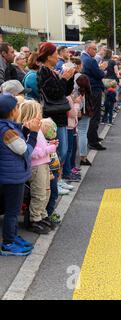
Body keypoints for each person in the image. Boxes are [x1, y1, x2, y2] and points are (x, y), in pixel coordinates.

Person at [0, 94, 38, 256]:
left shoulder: (7, 127)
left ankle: (12, 236)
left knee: (13, 211)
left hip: (10, 176)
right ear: (11, 111)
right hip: (12, 178)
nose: (18, 110)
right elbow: (24, 150)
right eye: (16, 107)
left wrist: (25, 129)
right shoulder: (7, 131)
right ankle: (8, 244)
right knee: (12, 212)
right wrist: (34, 134)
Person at [37, 42, 76, 195]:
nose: (57, 57)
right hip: (52, 115)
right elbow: (53, 92)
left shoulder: (52, 71)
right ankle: (54, 181)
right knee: (58, 151)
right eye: (55, 54)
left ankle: (58, 180)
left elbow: (65, 91)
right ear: (48, 56)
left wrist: (69, 78)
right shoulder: (43, 72)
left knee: (63, 151)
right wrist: (64, 79)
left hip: (59, 114)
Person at [17, 100, 58, 234]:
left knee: (46, 191)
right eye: (38, 112)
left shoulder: (37, 129)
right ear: (31, 114)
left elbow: (39, 145)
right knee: (39, 193)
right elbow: (31, 152)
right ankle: (35, 219)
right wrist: (48, 149)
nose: (41, 115)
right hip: (36, 167)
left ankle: (42, 215)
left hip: (43, 164)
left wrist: (48, 144)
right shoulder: (27, 130)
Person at [81, 41, 107, 151]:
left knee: (93, 114)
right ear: (88, 49)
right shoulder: (90, 60)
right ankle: (93, 141)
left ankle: (93, 137)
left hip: (90, 89)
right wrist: (102, 69)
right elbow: (99, 74)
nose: (96, 51)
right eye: (94, 49)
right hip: (94, 89)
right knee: (95, 115)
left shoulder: (84, 58)